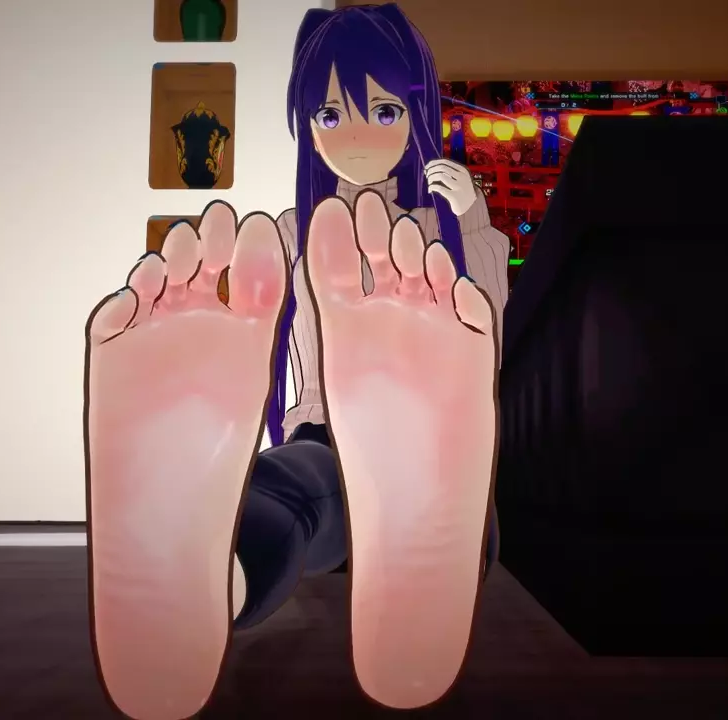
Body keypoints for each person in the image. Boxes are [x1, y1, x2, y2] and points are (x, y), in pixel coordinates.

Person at [84, 5, 510, 718]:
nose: (357, 136)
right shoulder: (291, 234)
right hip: (326, 433)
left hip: (439, 454)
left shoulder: (447, 233)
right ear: (308, 128)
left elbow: (489, 329)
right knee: (296, 480)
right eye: (330, 115)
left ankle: (255, 557)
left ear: (418, 112)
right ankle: (213, 578)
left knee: (307, 490)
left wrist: (469, 221)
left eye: (382, 109)